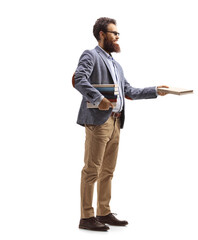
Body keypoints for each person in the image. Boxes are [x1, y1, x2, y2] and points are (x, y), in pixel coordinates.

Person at [74, 17, 168, 231]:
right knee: (91, 170)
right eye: (113, 33)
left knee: (108, 170)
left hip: (116, 122)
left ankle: (104, 212)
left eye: (118, 33)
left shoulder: (116, 65)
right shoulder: (90, 55)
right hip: (98, 123)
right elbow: (80, 79)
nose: (117, 36)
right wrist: (99, 99)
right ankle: (86, 217)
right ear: (101, 35)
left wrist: (155, 90)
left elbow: (129, 91)